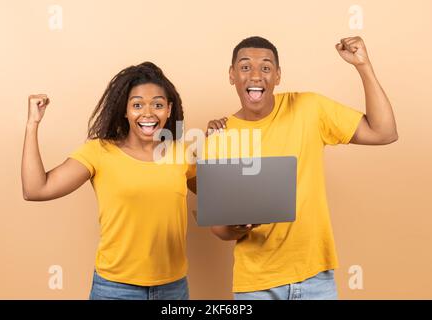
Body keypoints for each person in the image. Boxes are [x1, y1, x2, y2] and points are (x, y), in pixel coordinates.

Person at [204, 36, 398, 300]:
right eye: (245, 66)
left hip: (316, 278)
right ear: (232, 75)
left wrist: (363, 67)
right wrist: (241, 225)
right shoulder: (219, 136)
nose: (256, 75)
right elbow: (219, 230)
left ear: (278, 75)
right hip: (256, 285)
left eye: (266, 67)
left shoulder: (309, 108)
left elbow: (384, 132)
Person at [21, 62, 196, 300]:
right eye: (137, 105)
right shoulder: (99, 152)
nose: (148, 113)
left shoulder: (182, 154)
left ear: (169, 109)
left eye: (157, 104)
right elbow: (35, 189)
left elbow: (223, 201)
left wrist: (222, 139)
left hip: (173, 289)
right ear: (125, 110)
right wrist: (33, 124)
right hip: (115, 289)